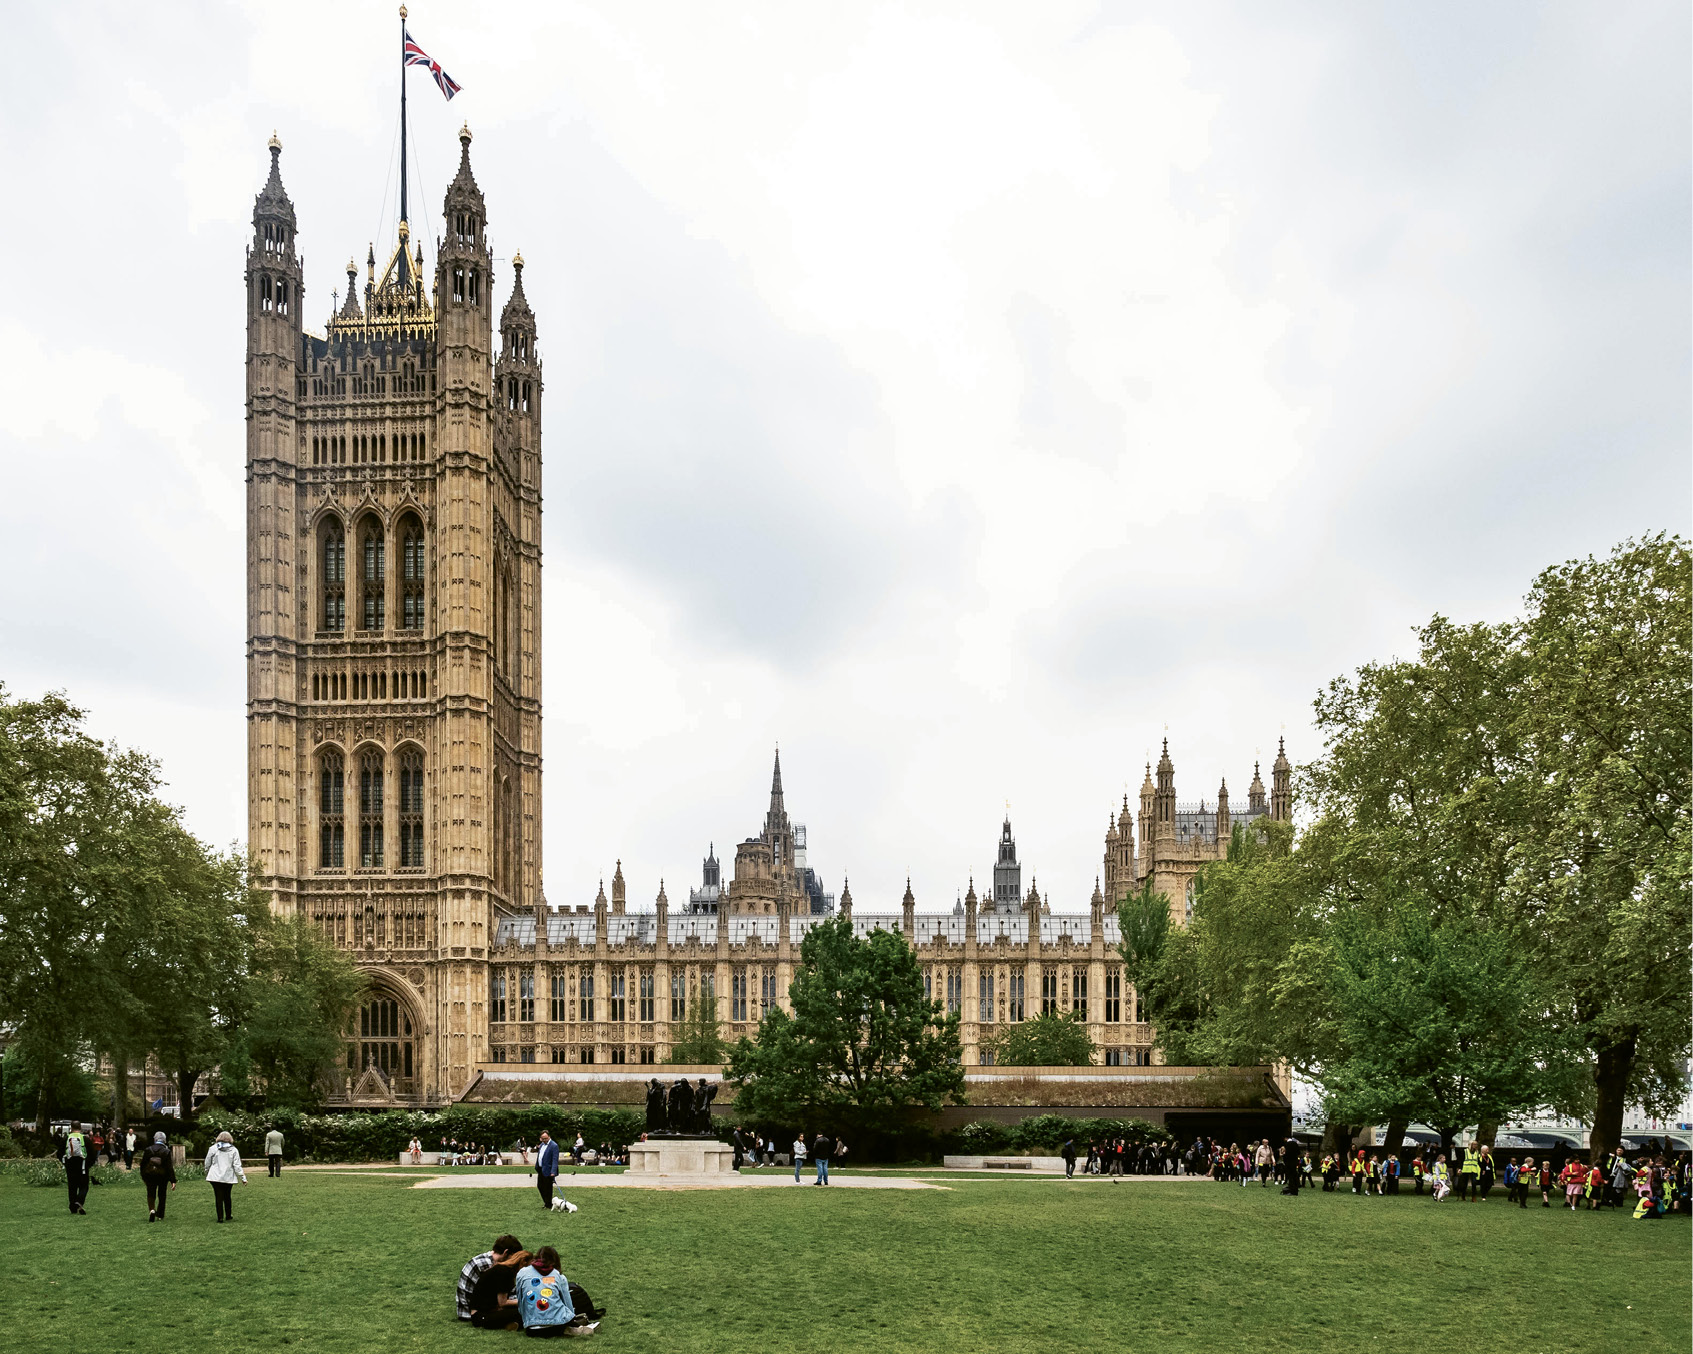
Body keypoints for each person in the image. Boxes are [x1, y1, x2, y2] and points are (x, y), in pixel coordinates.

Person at [457, 1234, 524, 1322]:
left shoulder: (486, 1260)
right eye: (514, 1258)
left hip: (474, 1307)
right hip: (474, 1311)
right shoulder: (489, 1266)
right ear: (506, 1253)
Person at [515, 1245, 576, 1337]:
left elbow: (520, 1299)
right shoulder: (558, 1275)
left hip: (531, 1328)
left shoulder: (522, 1273)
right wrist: (572, 1318)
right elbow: (567, 1302)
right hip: (558, 1325)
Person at [206, 1130, 248, 1222]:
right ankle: (228, 1215)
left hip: (215, 1176)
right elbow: (237, 1165)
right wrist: (243, 1177)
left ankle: (220, 1217)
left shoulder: (213, 1148)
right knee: (227, 1196)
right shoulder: (233, 1150)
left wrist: (207, 1171)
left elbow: (207, 1162)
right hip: (228, 1176)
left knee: (218, 1197)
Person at [140, 1132, 177, 1221]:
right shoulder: (166, 1151)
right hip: (162, 1176)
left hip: (150, 1175)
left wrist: (143, 1176)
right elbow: (169, 1167)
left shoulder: (148, 1150)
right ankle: (160, 1214)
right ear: (164, 1140)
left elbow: (143, 1164)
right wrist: (173, 1180)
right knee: (162, 1194)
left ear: (155, 1139)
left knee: (151, 1193)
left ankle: (152, 1210)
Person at [64, 1127, 90, 1215]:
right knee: (84, 1186)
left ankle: (72, 1207)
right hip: (82, 1166)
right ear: (80, 1128)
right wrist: (88, 1165)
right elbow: (92, 1153)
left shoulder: (66, 1138)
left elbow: (60, 1152)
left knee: (72, 1187)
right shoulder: (85, 1138)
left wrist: (66, 1163)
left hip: (70, 1166)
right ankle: (79, 1201)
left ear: (71, 1128)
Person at [535, 1131, 559, 1210]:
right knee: (540, 1186)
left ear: (549, 1137)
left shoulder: (554, 1146)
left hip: (548, 1170)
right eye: (543, 1138)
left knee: (548, 1188)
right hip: (541, 1169)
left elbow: (555, 1160)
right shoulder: (541, 1145)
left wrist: (553, 1172)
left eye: (545, 1138)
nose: (544, 1140)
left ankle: (548, 1204)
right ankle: (547, 1202)